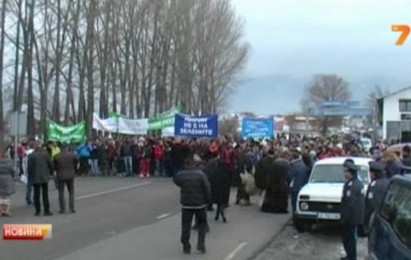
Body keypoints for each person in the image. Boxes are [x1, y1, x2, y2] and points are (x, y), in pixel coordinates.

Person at [174, 156, 211, 255]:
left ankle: (186, 244)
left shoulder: (181, 175)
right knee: (202, 225)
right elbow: (207, 188)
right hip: (200, 204)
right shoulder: (201, 175)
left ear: (185, 165)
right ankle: (201, 244)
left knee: (186, 225)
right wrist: (208, 200)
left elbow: (176, 181)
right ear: (194, 164)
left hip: (186, 204)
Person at [340, 159, 365, 260]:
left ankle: (351, 257)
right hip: (353, 218)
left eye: (346, 172)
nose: (344, 173)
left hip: (351, 219)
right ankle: (350, 256)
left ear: (350, 173)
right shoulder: (355, 183)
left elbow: (350, 205)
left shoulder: (352, 186)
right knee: (348, 239)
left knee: (349, 239)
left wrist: (345, 219)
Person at [28, 142, 54, 216]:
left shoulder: (31, 156)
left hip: (35, 177)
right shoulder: (46, 155)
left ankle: (37, 210)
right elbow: (51, 164)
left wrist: (30, 175)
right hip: (44, 176)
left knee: (36, 194)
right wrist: (51, 173)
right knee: (45, 194)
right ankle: (46, 210)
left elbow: (29, 167)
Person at [363, 161, 389, 234]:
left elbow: (372, 204)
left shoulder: (374, 186)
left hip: (375, 219)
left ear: (374, 174)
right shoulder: (387, 182)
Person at [54, 144, 77, 214]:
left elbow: (54, 166)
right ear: (67, 148)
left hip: (61, 175)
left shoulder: (57, 156)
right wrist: (74, 170)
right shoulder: (72, 155)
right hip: (70, 174)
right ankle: (72, 207)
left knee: (61, 193)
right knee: (71, 192)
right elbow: (75, 163)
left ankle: (62, 209)